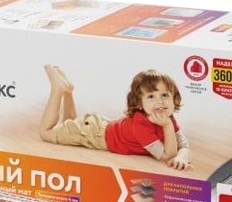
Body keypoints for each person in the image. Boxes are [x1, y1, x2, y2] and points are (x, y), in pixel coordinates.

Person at [39, 65, 191, 170]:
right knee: (45, 133)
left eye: (165, 95)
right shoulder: (142, 125)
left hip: (101, 126)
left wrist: (182, 157)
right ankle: (57, 88)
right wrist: (167, 127)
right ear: (139, 103)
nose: (160, 101)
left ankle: (68, 91)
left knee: (68, 124)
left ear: (174, 98)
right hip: (94, 134)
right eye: (151, 96)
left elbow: (183, 145)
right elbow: (167, 155)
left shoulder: (166, 117)